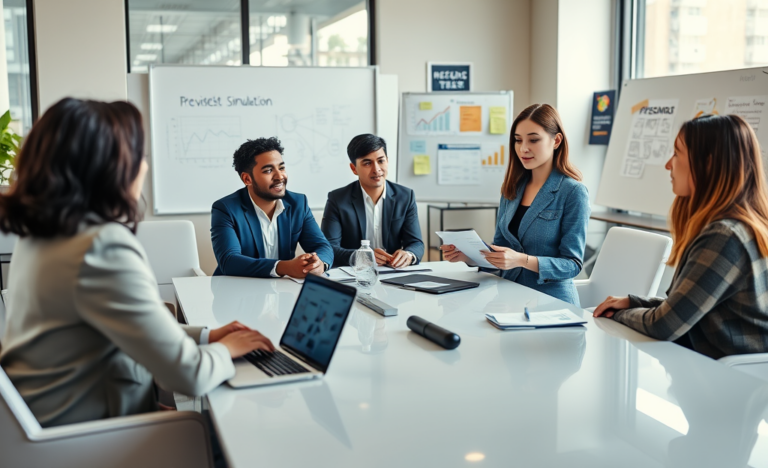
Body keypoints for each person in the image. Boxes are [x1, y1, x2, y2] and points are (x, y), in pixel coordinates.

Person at [0, 98, 275, 427]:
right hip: (84, 438)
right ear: (112, 166)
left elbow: (122, 329)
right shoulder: (100, 247)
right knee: (234, 431)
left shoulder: (41, 236)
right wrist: (230, 348)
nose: (144, 167)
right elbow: (191, 376)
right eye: (139, 156)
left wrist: (206, 336)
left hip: (52, 424)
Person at [594, 114, 768, 359]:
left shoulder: (724, 237)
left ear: (707, 163)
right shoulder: (739, 227)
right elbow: (686, 306)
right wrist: (634, 302)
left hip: (730, 380)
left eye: (676, 154)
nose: (668, 164)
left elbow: (665, 324)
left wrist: (618, 315)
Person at [441, 104, 590, 306]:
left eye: (533, 140)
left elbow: (572, 265)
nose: (523, 148)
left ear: (556, 140)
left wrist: (521, 260)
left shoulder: (573, 192)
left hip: (553, 303)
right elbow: (501, 251)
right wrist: (469, 256)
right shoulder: (511, 189)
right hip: (509, 297)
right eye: (518, 140)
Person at [211, 137, 333, 278]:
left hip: (281, 291)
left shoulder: (298, 203)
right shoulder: (226, 208)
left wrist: (320, 264)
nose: (279, 176)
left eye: (281, 167)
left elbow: (322, 246)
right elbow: (229, 261)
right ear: (247, 179)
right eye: (268, 170)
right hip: (238, 291)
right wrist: (284, 267)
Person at [321, 134, 424, 268]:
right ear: (354, 168)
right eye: (367, 163)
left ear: (387, 160)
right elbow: (328, 247)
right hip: (355, 274)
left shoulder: (405, 196)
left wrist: (409, 255)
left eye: (381, 161)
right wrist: (362, 257)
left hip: (392, 272)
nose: (377, 169)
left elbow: (416, 243)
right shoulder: (337, 199)